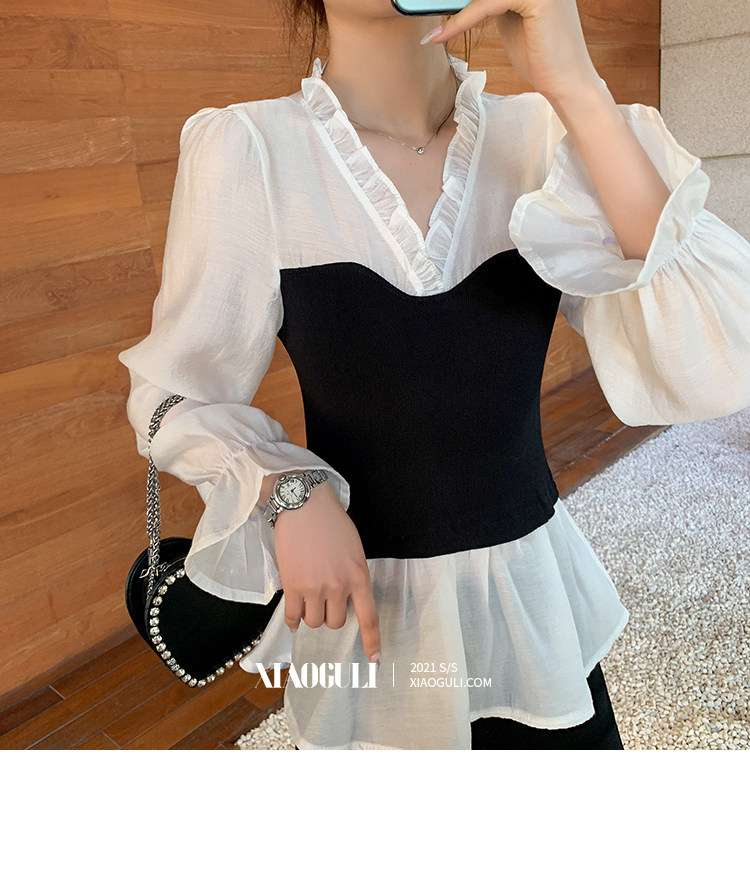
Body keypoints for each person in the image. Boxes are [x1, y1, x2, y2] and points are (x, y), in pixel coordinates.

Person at [119, 0, 750, 749]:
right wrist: (285, 487)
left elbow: (714, 341)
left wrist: (577, 86)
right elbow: (173, 391)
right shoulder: (250, 149)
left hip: (529, 599)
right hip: (374, 625)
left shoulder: (542, 135)